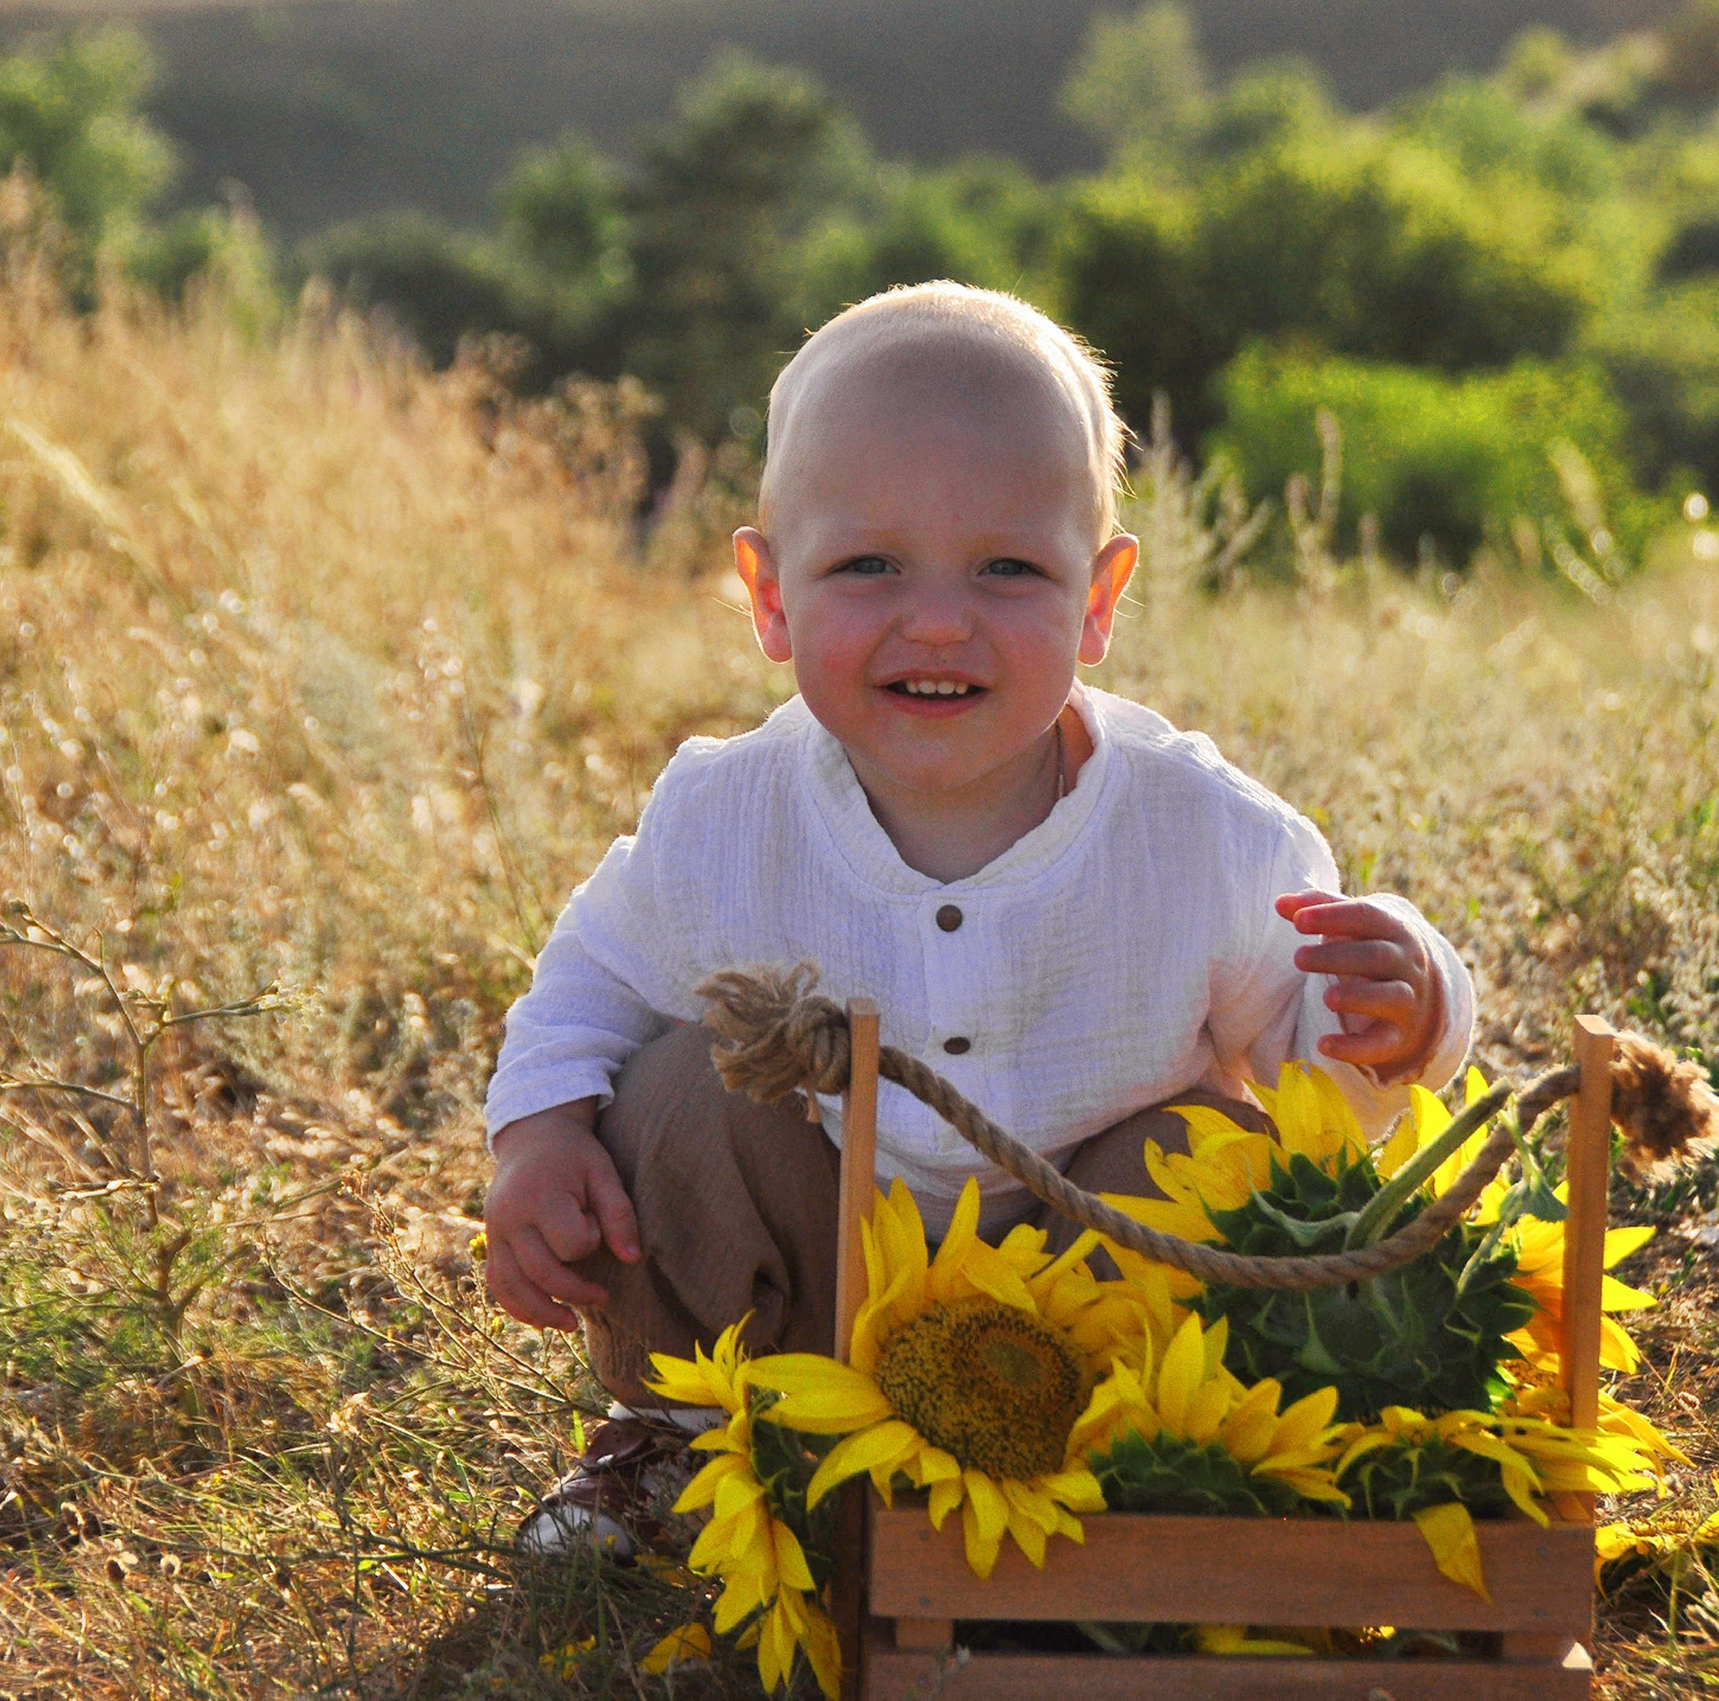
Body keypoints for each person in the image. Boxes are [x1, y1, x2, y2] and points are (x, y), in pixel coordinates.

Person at [481, 281, 1475, 1557]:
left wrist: (1406, 1007)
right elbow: (591, 980)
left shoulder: (1201, 833)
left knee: (1202, 1156)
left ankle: (1125, 1479)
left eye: (1008, 568)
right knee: (678, 1090)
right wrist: (539, 1135)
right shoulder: (726, 815)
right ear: (770, 594)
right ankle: (691, 1435)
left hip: (1088, 1298)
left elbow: (1313, 1071)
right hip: (808, 1287)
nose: (938, 619)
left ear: (1101, 597)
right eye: (868, 565)